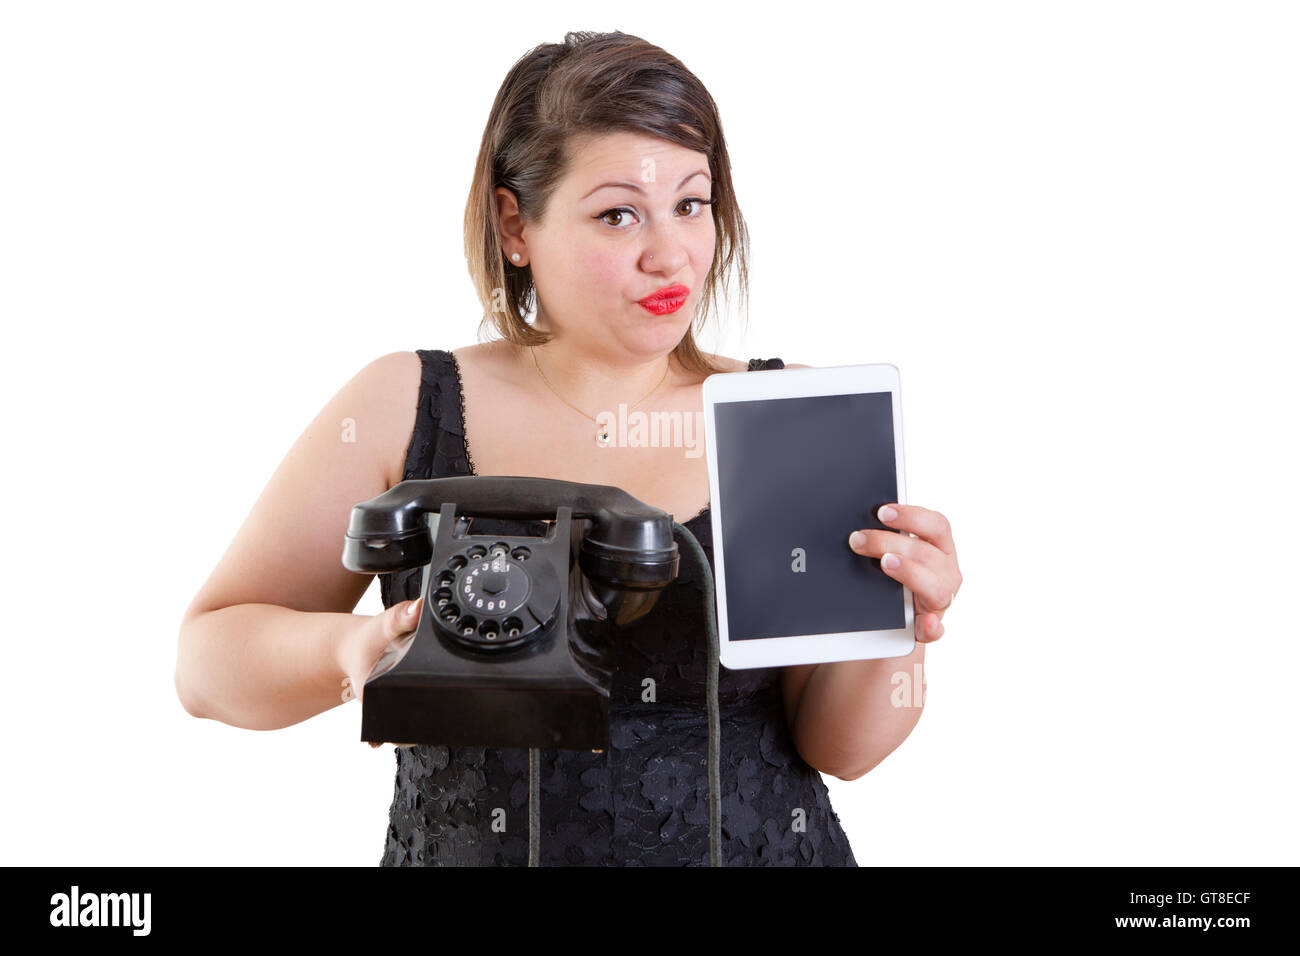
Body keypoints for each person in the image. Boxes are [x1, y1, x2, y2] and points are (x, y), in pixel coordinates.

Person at [175, 30, 963, 866]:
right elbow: (204, 664)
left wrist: (901, 624)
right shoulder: (400, 403)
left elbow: (844, 748)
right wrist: (344, 653)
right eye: (619, 213)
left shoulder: (792, 418)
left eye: (691, 204)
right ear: (516, 223)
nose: (671, 254)